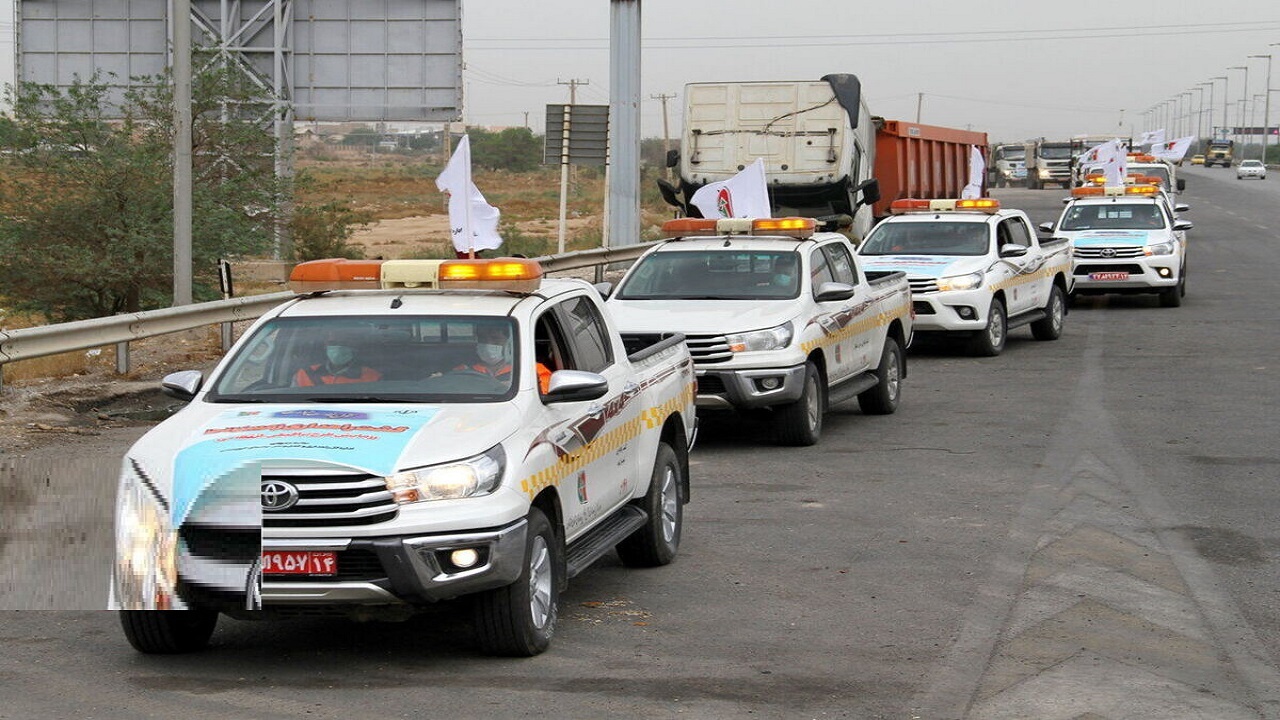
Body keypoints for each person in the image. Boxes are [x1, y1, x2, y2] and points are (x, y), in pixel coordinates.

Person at [455, 322, 552, 393]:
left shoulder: (533, 370)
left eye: (495, 339)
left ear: (509, 344)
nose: (488, 344)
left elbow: (543, 397)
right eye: (483, 339)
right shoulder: (462, 371)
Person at [293, 329, 381, 386]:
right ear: (325, 345)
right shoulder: (304, 374)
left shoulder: (372, 376)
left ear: (354, 347)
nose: (338, 348)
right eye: (333, 343)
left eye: (344, 343)